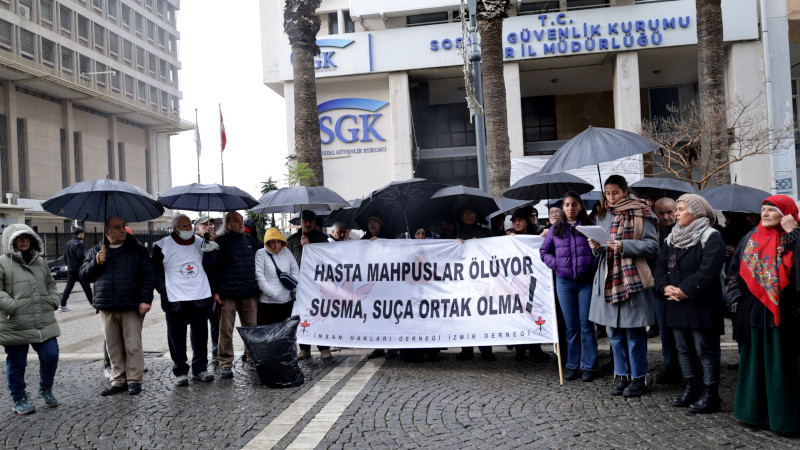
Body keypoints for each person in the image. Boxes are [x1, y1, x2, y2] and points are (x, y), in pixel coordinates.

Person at [726, 195, 800, 434]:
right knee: (753, 364)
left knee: (782, 367)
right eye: (763, 210)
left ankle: (784, 419)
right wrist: (735, 301)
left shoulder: (793, 237)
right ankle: (752, 414)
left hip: (786, 315)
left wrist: (793, 235)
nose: (765, 214)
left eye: (771, 210)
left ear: (787, 214)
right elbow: (734, 272)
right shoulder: (750, 238)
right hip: (754, 313)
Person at [588, 175, 659, 398]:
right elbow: (601, 248)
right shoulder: (602, 213)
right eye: (607, 193)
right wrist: (596, 246)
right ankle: (621, 374)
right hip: (608, 277)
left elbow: (652, 245)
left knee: (634, 333)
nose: (611, 197)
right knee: (614, 333)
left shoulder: (641, 212)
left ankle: (639, 377)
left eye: (615, 193)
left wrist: (624, 245)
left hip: (631, 278)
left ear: (625, 191)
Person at [654, 194, 725, 413]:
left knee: (705, 350)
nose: (676, 213)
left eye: (681, 209)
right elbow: (660, 266)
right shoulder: (672, 237)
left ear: (696, 212)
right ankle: (691, 388)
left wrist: (684, 291)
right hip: (675, 302)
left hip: (701, 303)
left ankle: (711, 394)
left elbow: (708, 271)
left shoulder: (712, 237)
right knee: (683, 349)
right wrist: (665, 287)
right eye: (677, 209)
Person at [81, 216, 155, 396]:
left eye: (123, 226)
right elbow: (84, 275)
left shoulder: (137, 250)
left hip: (130, 304)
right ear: (107, 232)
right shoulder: (96, 251)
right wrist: (97, 262)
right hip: (106, 305)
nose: (122, 230)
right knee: (113, 346)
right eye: (117, 227)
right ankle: (118, 379)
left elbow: (148, 276)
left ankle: (134, 380)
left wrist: (146, 300)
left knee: (132, 345)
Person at [0, 224, 61, 414]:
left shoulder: (40, 262)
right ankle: (19, 397)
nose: (24, 240)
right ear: (11, 241)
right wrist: (11, 306)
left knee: (51, 355)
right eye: (19, 237)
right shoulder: (2, 262)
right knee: (17, 363)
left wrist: (53, 300)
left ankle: (45, 388)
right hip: (15, 322)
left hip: (43, 320)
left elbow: (51, 283)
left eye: (27, 237)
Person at [540, 192, 598, 381]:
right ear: (563, 208)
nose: (570, 208)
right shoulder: (556, 229)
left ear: (580, 206)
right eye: (567, 205)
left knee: (587, 325)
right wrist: (556, 264)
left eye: (574, 204)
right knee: (571, 326)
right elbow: (544, 251)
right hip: (564, 282)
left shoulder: (590, 226)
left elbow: (599, 252)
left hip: (585, 281)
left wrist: (593, 258)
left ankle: (589, 365)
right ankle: (573, 364)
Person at [152, 214, 216, 386]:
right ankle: (180, 370)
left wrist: (210, 246)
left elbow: (211, 266)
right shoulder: (161, 245)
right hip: (175, 298)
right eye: (184, 226)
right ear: (175, 228)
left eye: (189, 226)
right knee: (176, 336)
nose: (188, 229)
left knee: (201, 335)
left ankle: (200, 368)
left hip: (200, 295)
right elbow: (155, 271)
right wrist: (163, 290)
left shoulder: (200, 242)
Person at [210, 212, 260, 378]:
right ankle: (225, 363)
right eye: (236, 221)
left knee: (251, 329)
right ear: (227, 225)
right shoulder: (219, 242)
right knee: (226, 331)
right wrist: (215, 292)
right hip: (227, 294)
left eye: (241, 220)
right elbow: (212, 269)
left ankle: (252, 359)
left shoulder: (249, 240)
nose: (240, 223)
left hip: (249, 293)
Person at [453, 208, 496, 361]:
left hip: (482, 279)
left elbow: (494, 251)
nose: (470, 215)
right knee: (466, 314)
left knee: (483, 314)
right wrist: (455, 245)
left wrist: (482, 245)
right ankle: (466, 349)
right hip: (464, 281)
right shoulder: (455, 233)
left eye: (472, 212)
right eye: (466, 212)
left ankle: (486, 350)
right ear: (460, 215)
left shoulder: (486, 232)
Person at [287, 210, 331, 360]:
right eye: (305, 221)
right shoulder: (291, 240)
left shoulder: (323, 239)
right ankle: (304, 348)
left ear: (315, 222)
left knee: (320, 315)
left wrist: (310, 246)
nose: (308, 223)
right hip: (299, 287)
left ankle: (324, 348)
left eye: (311, 221)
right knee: (302, 316)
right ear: (300, 221)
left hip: (318, 285)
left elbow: (328, 260)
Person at [649, 197, 681, 383]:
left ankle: (688, 368)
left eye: (670, 212)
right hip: (659, 289)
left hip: (679, 289)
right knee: (665, 331)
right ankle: (670, 367)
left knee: (682, 332)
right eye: (661, 213)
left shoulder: (683, 230)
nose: (667, 216)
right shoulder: (653, 231)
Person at [359, 215, 398, 360]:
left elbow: (397, 255)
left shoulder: (390, 238)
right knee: (375, 317)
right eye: (369, 221)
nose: (372, 224)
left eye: (374, 221)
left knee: (389, 315)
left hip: (388, 284)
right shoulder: (364, 240)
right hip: (372, 286)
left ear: (381, 224)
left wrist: (382, 244)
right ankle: (379, 346)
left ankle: (392, 348)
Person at [255, 227, 301, 328]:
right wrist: (271, 293)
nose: (276, 245)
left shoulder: (287, 252)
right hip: (268, 303)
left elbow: (295, 270)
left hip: (286, 302)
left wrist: (294, 286)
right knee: (268, 335)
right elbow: (259, 275)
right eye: (273, 242)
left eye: (279, 242)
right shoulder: (260, 254)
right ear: (267, 242)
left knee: (284, 334)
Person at [194, 216, 219, 363]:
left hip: (213, 289)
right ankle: (199, 359)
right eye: (205, 225)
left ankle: (216, 349)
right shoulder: (193, 245)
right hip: (198, 292)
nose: (209, 227)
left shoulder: (215, 244)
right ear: (197, 229)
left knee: (216, 322)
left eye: (210, 225)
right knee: (198, 327)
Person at [59, 226, 92, 312]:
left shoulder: (68, 244)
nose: (83, 235)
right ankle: (93, 303)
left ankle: (62, 305)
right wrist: (86, 262)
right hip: (79, 269)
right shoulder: (79, 244)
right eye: (83, 233)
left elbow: (65, 257)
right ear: (80, 234)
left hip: (71, 269)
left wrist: (69, 265)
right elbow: (80, 256)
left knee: (68, 288)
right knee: (86, 286)